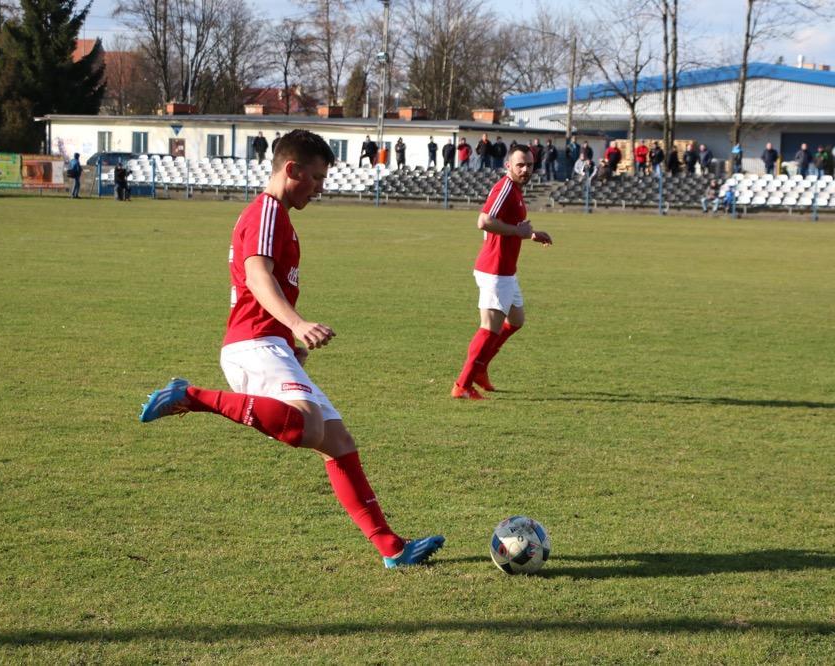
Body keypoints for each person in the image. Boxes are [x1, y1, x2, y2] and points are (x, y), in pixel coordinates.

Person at [139, 129, 444, 569]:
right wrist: (296, 325)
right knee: (306, 426)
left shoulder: (280, 217)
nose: (320, 187)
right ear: (292, 170)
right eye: (316, 178)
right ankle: (191, 396)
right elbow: (258, 275)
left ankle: (392, 548)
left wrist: (290, 341)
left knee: (338, 442)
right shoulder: (267, 212)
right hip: (251, 343)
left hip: (270, 343)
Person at [452, 144, 552, 400]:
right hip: (494, 270)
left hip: (507, 271)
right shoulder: (505, 188)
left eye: (529, 165)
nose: (525, 169)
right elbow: (483, 221)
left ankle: (481, 369)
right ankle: (462, 384)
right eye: (520, 164)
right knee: (489, 328)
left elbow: (509, 225)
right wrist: (518, 232)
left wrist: (530, 234)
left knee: (516, 320)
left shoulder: (516, 190)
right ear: (508, 165)